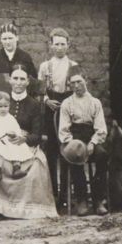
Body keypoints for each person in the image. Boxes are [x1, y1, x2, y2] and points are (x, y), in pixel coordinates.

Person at [0, 65, 57, 219]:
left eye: (22, 79)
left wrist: (25, 138)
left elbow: (37, 134)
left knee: (37, 164)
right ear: (10, 80)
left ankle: (18, 209)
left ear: (27, 82)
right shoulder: (1, 101)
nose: (18, 82)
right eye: (15, 78)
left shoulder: (34, 105)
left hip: (23, 146)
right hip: (0, 144)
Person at [58, 70, 109, 216]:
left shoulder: (95, 103)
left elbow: (100, 128)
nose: (76, 86)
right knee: (75, 156)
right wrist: (73, 144)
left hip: (91, 135)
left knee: (102, 155)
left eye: (79, 81)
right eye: (72, 83)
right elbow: (63, 129)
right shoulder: (67, 104)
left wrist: (93, 143)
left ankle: (99, 199)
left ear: (85, 80)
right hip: (74, 138)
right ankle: (82, 199)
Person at [37, 28, 78, 204]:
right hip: (50, 109)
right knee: (51, 150)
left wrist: (68, 105)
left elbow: (79, 90)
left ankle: (65, 195)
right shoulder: (45, 66)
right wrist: (46, 100)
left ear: (68, 45)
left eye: (63, 44)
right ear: (50, 45)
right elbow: (39, 91)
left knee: (66, 149)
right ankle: (52, 193)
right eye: (56, 44)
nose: (59, 47)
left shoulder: (74, 66)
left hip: (68, 109)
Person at [0, 91, 34, 179]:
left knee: (17, 147)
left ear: (9, 106)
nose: (3, 109)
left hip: (8, 140)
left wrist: (13, 134)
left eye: (6, 106)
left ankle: (16, 168)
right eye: (0, 106)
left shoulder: (11, 118)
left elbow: (16, 130)